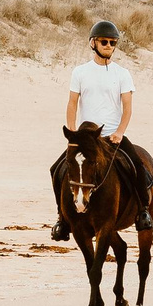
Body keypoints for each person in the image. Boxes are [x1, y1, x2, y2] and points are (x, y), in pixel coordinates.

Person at [53, 21, 145, 240]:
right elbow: (72, 103)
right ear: (93, 43)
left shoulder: (122, 74)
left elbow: (128, 107)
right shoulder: (80, 72)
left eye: (112, 42)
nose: (109, 45)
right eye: (104, 41)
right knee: (56, 170)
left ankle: (143, 214)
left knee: (139, 168)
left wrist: (120, 132)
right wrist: (73, 132)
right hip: (85, 138)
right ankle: (61, 218)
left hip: (112, 135)